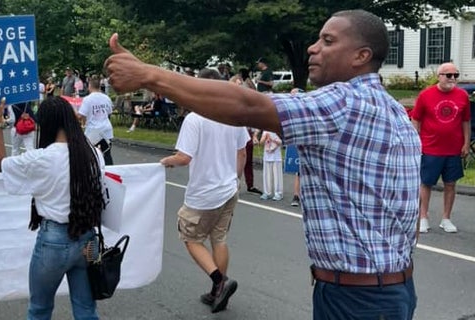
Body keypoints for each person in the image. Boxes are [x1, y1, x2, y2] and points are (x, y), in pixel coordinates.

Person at [105, 9, 420, 319]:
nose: (312, 47)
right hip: (391, 288)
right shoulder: (393, 112)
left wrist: (149, 75)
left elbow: (245, 104)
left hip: (357, 299)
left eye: (327, 41)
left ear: (360, 56)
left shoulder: (344, 103)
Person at [0, 96, 105, 320]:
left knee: (40, 309)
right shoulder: (93, 153)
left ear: (46, 124)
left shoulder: (42, 158)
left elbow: (0, 164)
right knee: (86, 309)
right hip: (87, 237)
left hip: (54, 240)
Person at [160, 68, 248, 313]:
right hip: (229, 187)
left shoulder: (195, 118)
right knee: (218, 238)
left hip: (204, 192)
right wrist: (235, 178)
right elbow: (242, 152)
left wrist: (165, 162)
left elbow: (184, 157)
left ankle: (220, 282)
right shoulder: (233, 115)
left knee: (190, 237)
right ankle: (217, 291)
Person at [411, 62, 471, 233]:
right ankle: (423, 217)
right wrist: (416, 141)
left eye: (455, 75)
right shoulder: (426, 95)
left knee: (451, 184)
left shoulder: (462, 96)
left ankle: (446, 218)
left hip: (453, 148)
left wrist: (466, 143)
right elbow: (416, 119)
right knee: (426, 183)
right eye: (448, 75)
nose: (452, 79)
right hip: (430, 147)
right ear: (439, 76)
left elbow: (465, 121)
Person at [78, 75, 114, 165]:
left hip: (93, 132)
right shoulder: (106, 98)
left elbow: (81, 116)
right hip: (106, 130)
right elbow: (109, 113)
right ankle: (111, 172)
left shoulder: (87, 99)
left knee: (91, 155)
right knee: (106, 154)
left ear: (89, 86)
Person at [257, 130, 283, 201]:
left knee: (277, 176)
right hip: (267, 156)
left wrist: (272, 139)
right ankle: (267, 192)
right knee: (267, 175)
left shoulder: (277, 131)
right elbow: (261, 142)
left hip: (276, 157)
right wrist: (265, 138)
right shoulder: (265, 131)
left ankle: (278, 193)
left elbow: (281, 142)